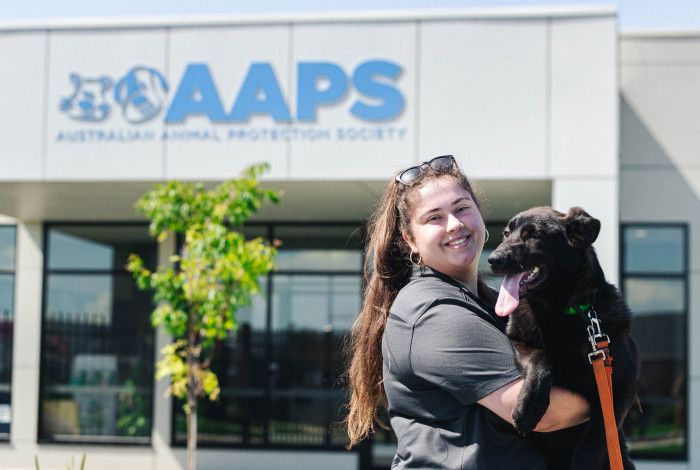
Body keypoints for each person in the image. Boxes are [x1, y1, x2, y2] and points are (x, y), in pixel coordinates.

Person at [346, 155, 589, 469]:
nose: (455, 224)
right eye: (434, 218)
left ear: (479, 215)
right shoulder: (435, 315)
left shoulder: (490, 301)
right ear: (410, 239)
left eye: (462, 209)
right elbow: (546, 413)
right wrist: (615, 389)